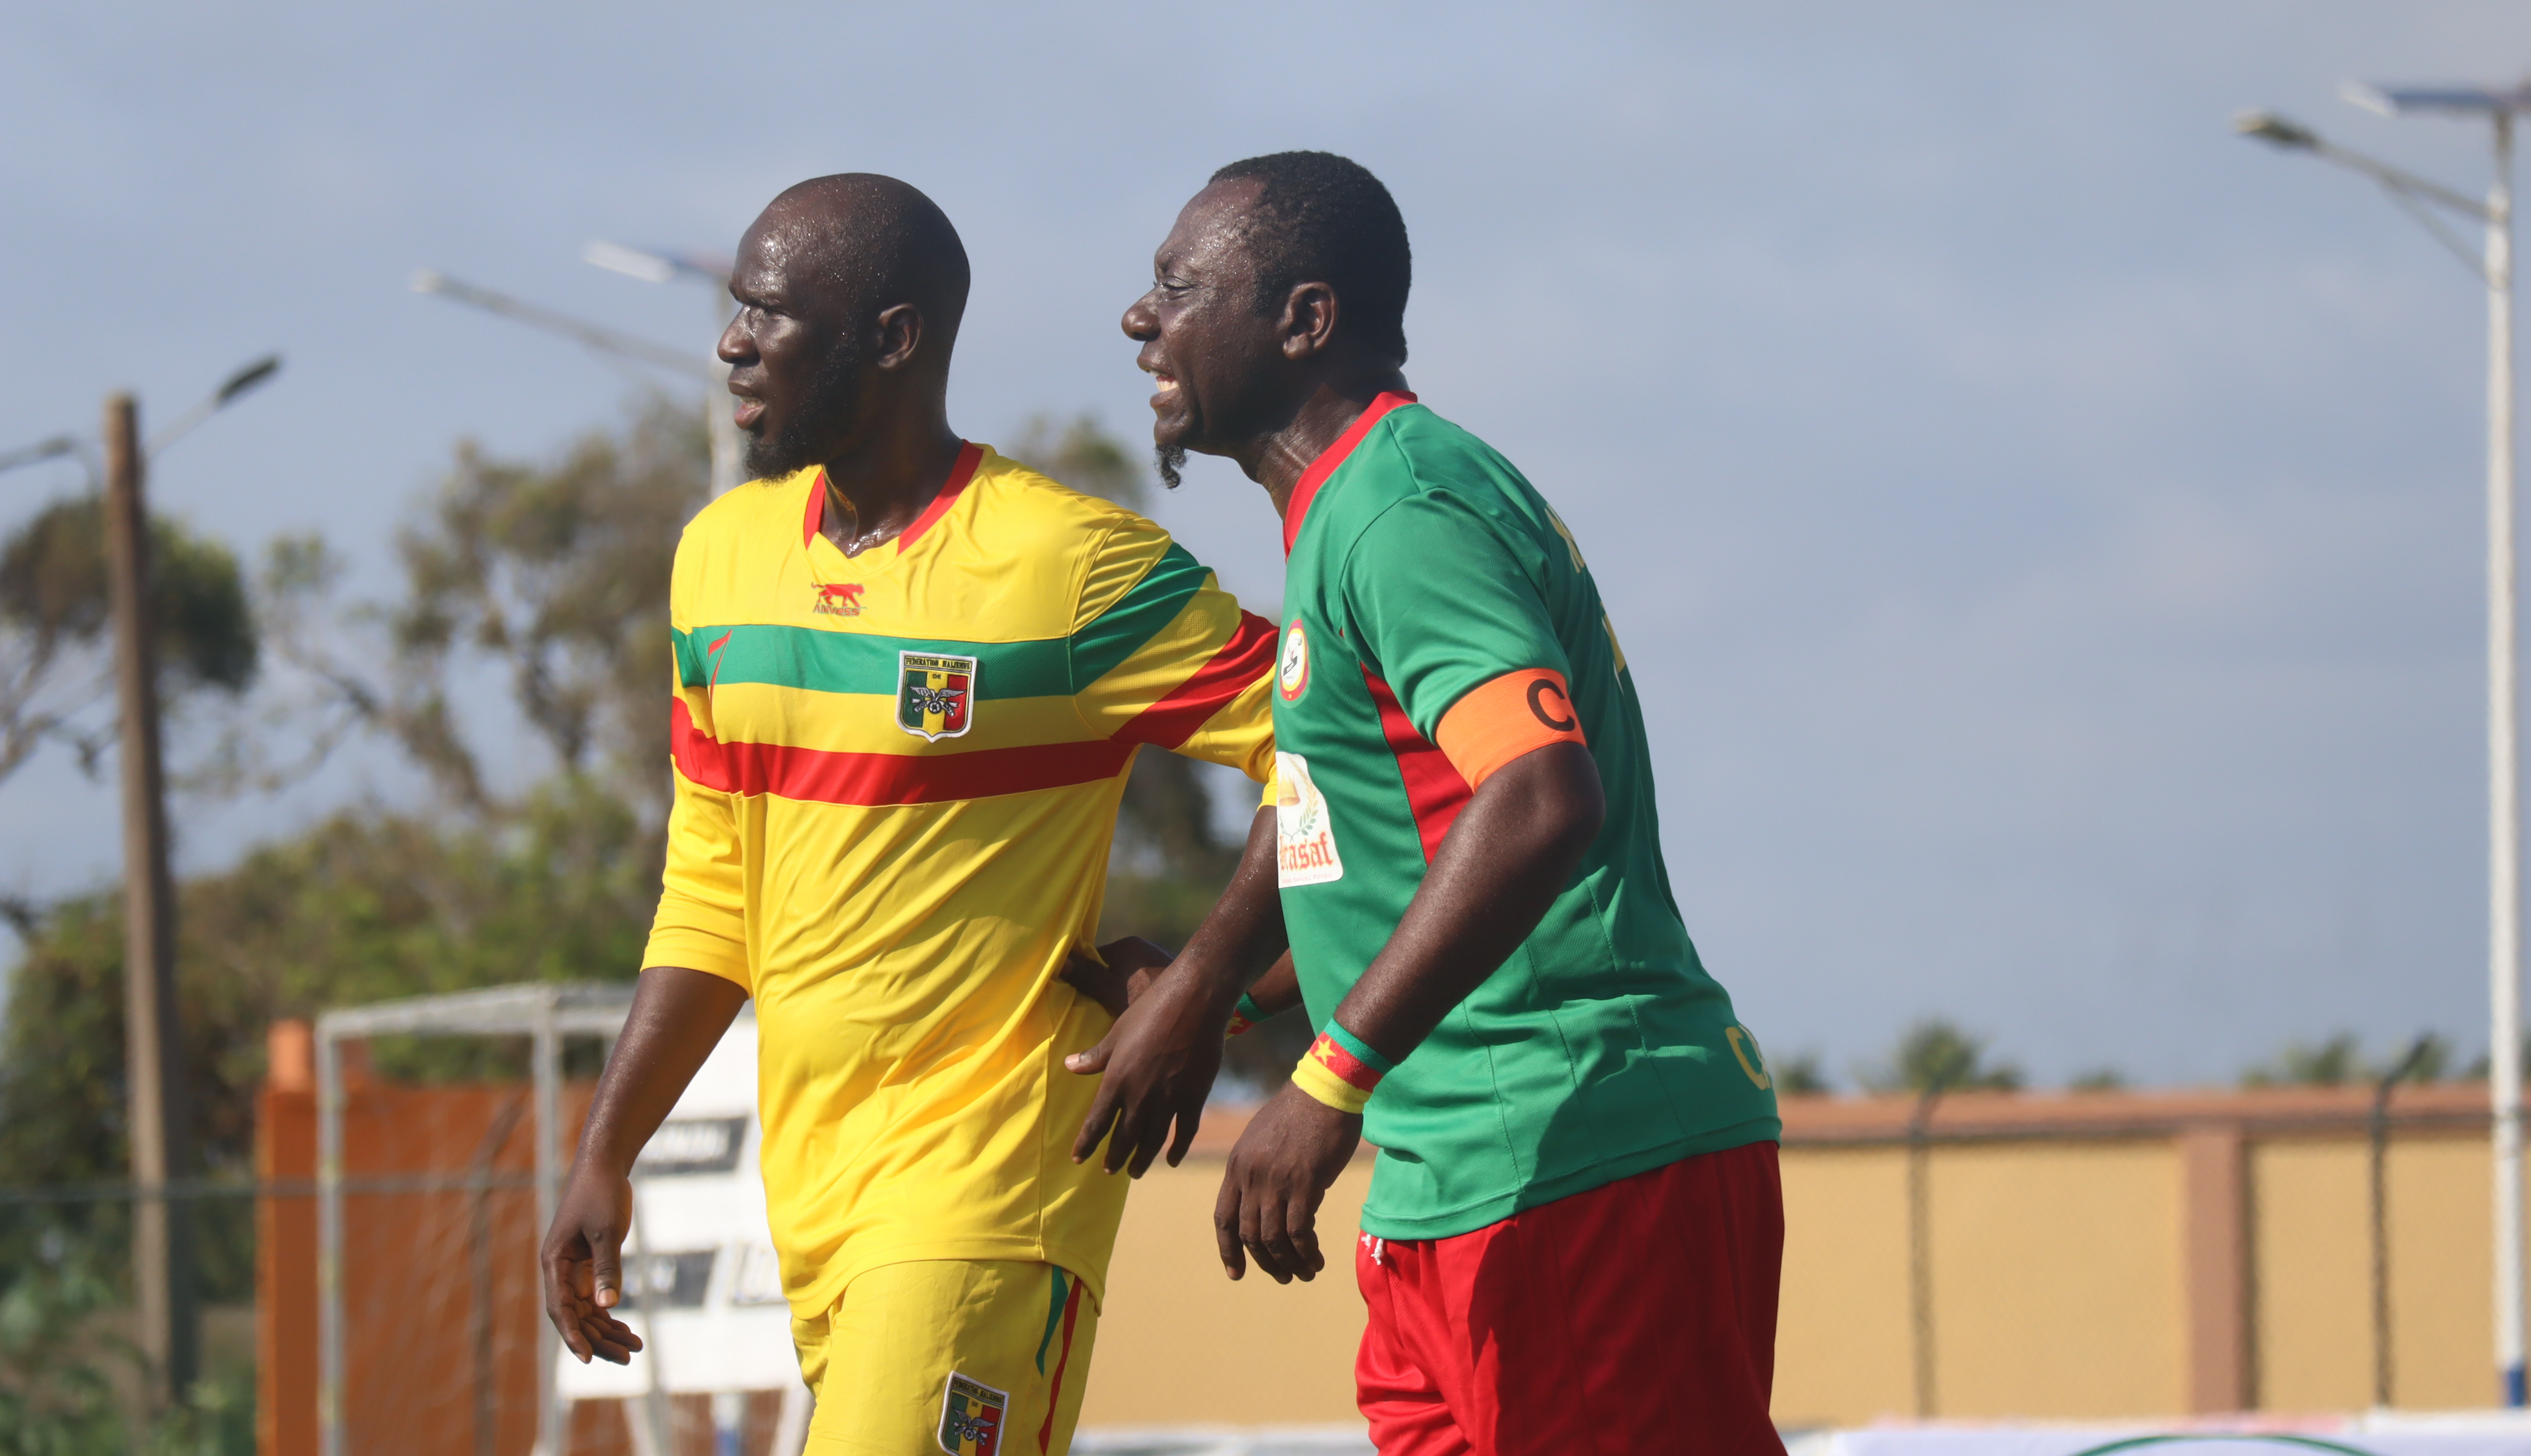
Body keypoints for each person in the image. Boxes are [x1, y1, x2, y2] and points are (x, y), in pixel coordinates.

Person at [538, 173, 1281, 1456]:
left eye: (769, 314)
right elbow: (714, 889)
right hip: (816, 1200)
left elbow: (1341, 740)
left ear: (893, 338)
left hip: (989, 1192)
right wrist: (607, 1149)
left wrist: (1222, 988)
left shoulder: (1065, 566)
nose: (731, 342)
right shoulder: (720, 558)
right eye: (735, 309)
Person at [1077, 152, 1789, 1455]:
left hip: (1576, 1149)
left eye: (1179, 285)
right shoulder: (1340, 519)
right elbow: (1381, 845)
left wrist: (1325, 1077)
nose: (1142, 318)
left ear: (1304, 320)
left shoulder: (1404, 509)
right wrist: (1211, 999)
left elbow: (1536, 797)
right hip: (1450, 1182)